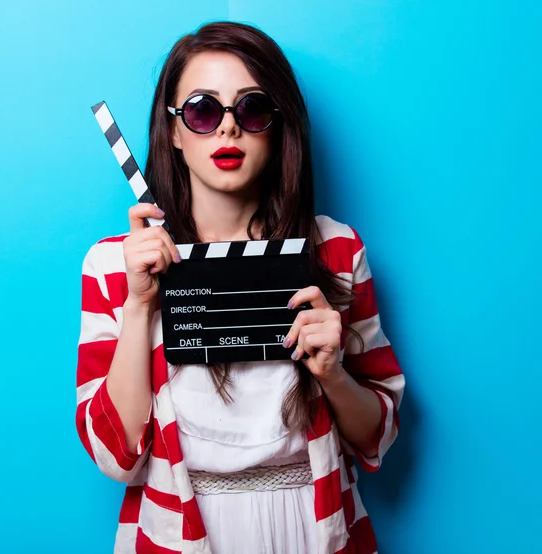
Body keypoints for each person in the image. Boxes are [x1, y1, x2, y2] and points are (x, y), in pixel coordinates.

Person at [76, 21, 405, 554]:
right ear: (175, 131)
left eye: (251, 109)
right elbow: (116, 457)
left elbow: (376, 436)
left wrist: (333, 372)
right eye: (204, 111)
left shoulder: (337, 252)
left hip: (313, 523)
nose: (228, 130)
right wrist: (140, 305)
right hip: (180, 527)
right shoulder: (114, 265)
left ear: (278, 129)